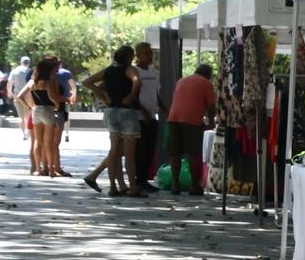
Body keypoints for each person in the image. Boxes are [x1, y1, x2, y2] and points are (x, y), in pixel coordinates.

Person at [81, 46, 145, 196]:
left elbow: (87, 82)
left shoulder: (108, 70)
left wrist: (102, 94)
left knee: (114, 151)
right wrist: (131, 95)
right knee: (129, 153)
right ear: (129, 57)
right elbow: (137, 81)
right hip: (127, 112)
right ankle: (133, 186)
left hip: (111, 111)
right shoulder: (129, 69)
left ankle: (113, 187)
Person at [163, 62, 217, 195]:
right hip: (192, 121)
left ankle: (175, 184)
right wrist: (211, 122)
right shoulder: (207, 84)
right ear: (208, 75)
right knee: (193, 153)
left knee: (175, 153)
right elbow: (211, 106)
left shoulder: (181, 81)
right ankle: (194, 185)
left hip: (173, 118)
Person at [26, 56, 64, 177]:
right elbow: (52, 96)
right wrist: (57, 104)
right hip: (47, 110)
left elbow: (23, 95)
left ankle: (38, 169)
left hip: (36, 110)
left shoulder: (34, 82)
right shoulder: (47, 82)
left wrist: (30, 106)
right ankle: (51, 170)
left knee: (38, 141)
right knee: (49, 142)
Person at [132, 42, 162, 186]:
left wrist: (163, 108)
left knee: (150, 150)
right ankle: (139, 179)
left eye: (151, 52)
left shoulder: (154, 72)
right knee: (140, 150)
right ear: (138, 55)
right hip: (139, 118)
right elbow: (133, 96)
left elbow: (156, 93)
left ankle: (144, 179)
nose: (150, 55)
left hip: (152, 116)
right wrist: (143, 112)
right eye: (147, 53)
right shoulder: (134, 72)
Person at [7, 55, 33, 143]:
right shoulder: (30, 72)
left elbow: (9, 83)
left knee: (21, 116)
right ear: (28, 63)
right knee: (29, 115)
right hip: (29, 97)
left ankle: (23, 134)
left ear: (21, 62)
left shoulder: (14, 71)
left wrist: (9, 92)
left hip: (17, 96)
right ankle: (28, 132)